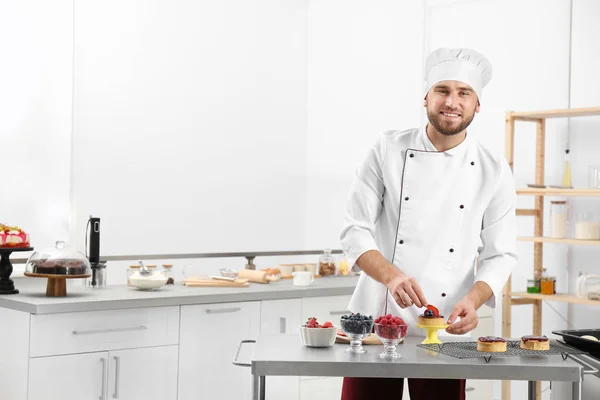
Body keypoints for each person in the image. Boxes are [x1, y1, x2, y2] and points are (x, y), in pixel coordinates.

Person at [339, 47, 517, 399]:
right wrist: (392, 276)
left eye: (464, 93)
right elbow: (354, 229)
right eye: (443, 90)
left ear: (477, 104)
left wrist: (474, 299)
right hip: (376, 318)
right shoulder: (386, 149)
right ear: (426, 98)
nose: (452, 102)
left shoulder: (493, 168)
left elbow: (501, 255)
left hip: (447, 327)